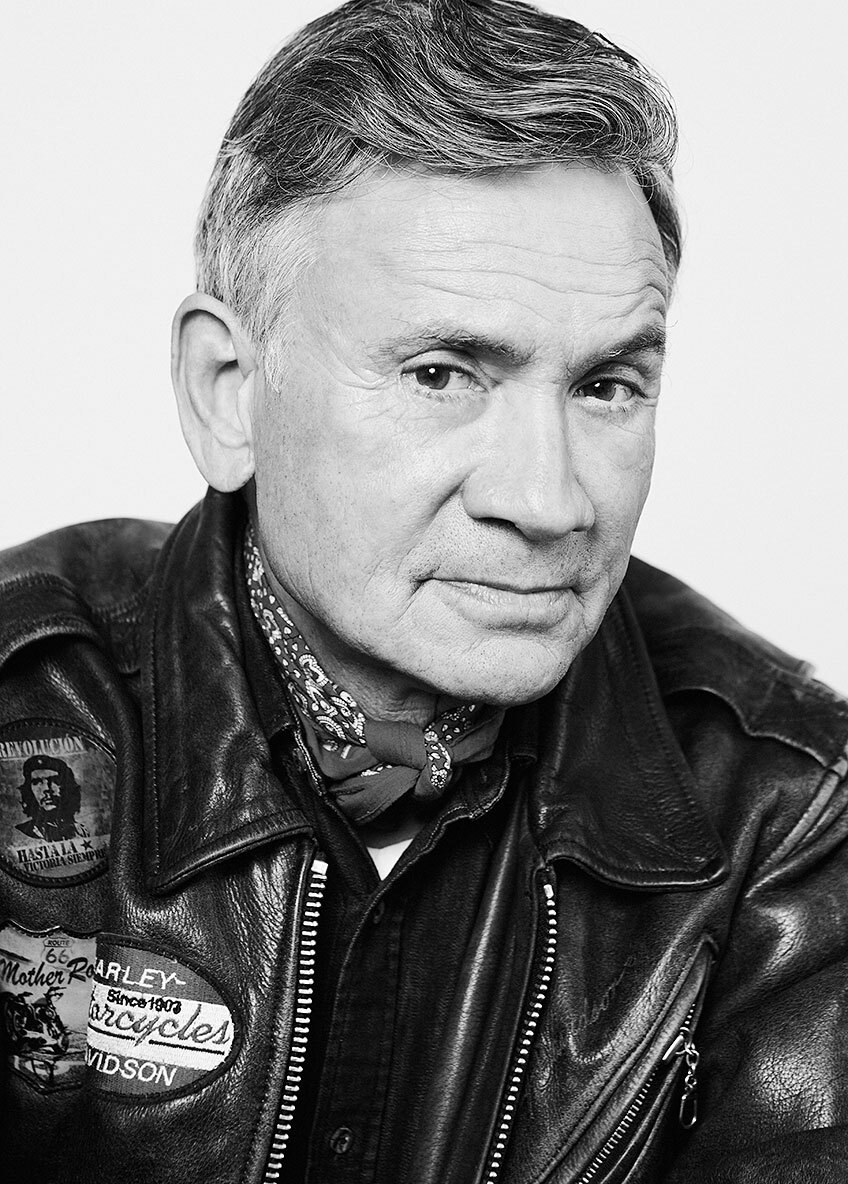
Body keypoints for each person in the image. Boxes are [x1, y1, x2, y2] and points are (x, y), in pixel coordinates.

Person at [1, 0, 846, 1180]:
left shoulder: (788, 811)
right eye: (442, 373)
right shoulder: (22, 693)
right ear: (226, 391)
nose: (549, 499)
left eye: (604, 385)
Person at [14, 756, 89, 843]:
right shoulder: (21, 834)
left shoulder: (82, 832)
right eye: (37, 782)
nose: (46, 788)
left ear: (67, 787)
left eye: (55, 780)